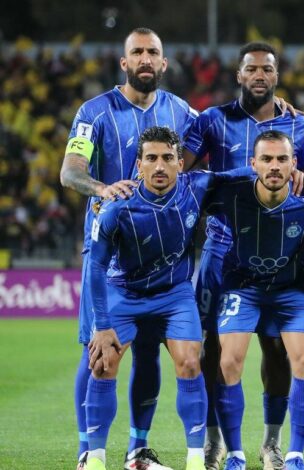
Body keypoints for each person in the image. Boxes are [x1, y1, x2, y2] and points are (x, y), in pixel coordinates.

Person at [60, 27, 197, 470]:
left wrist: (276, 112)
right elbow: (70, 172)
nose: (144, 59)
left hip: (160, 257)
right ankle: (88, 451)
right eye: (136, 52)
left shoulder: (181, 112)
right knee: (97, 349)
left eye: (152, 52)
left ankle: (138, 449)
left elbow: (220, 137)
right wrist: (103, 188)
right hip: (108, 252)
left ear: (163, 62)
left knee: (149, 349)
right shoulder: (93, 112)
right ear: (124, 62)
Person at [183, 41, 304, 470]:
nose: (259, 75)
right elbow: (183, 171)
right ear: (239, 75)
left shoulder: (299, 126)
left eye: (267, 70)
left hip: (280, 253)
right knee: (213, 347)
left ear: (277, 76)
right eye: (252, 69)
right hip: (222, 252)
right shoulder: (211, 120)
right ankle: (214, 440)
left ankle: (271, 443)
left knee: (277, 347)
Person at [83, 126, 249, 470]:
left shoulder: (196, 187)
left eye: (168, 158)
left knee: (190, 362)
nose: (160, 166)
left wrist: (274, 167)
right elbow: (96, 267)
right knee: (103, 362)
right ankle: (95, 459)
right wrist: (102, 324)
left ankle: (195, 460)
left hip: (174, 295)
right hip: (124, 293)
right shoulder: (116, 207)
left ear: (180, 163)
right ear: (139, 165)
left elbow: (240, 175)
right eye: (151, 158)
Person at [209, 130, 304, 470]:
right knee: (229, 362)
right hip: (242, 286)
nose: (274, 166)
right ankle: (235, 454)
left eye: (282, 159)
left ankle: (292, 453)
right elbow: (187, 192)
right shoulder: (231, 192)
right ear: (252, 164)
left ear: (294, 164)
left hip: (290, 289)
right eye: (266, 159)